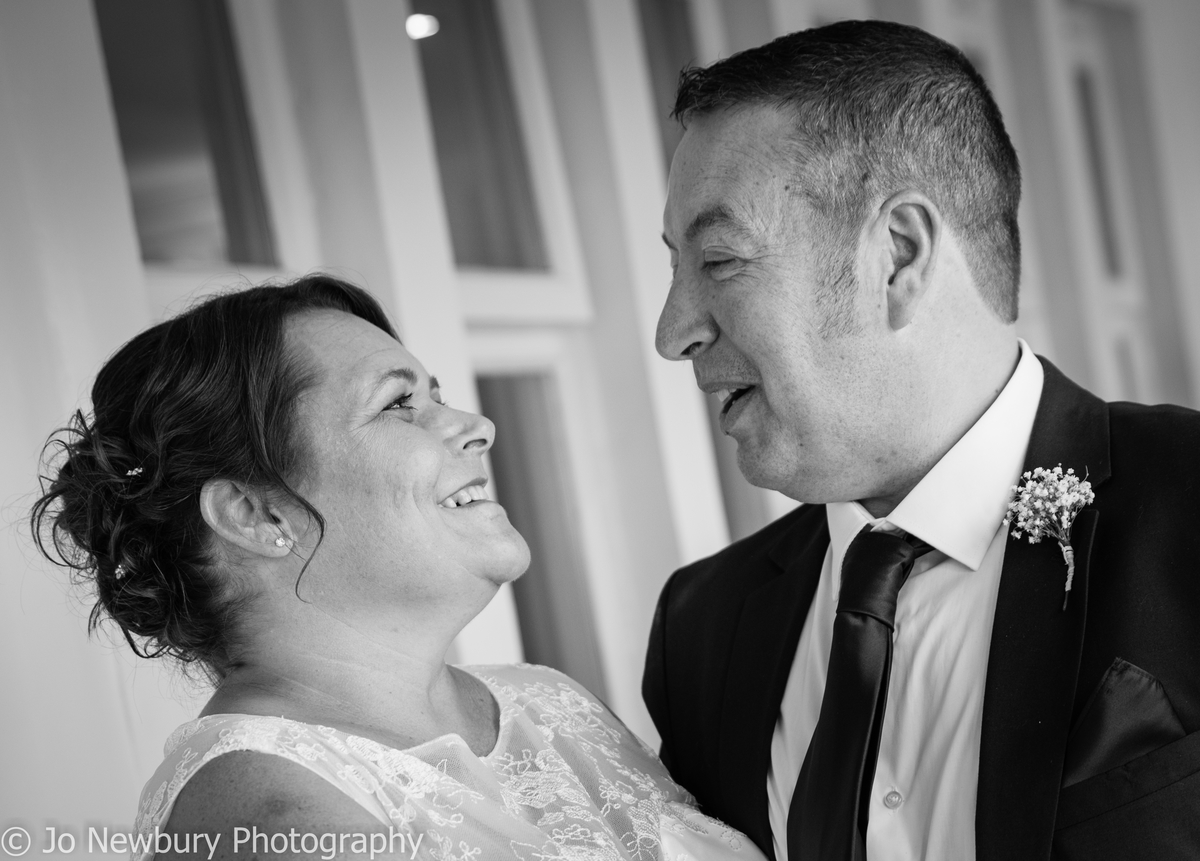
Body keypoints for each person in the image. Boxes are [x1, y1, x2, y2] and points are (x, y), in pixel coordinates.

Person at [644, 19, 1200, 861]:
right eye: (673, 269)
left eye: (718, 261)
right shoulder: (702, 628)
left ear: (898, 256)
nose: (673, 330)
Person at [33, 275, 765, 861]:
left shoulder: (551, 703)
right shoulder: (262, 808)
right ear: (259, 516)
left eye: (437, 394)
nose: (478, 425)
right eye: (399, 404)